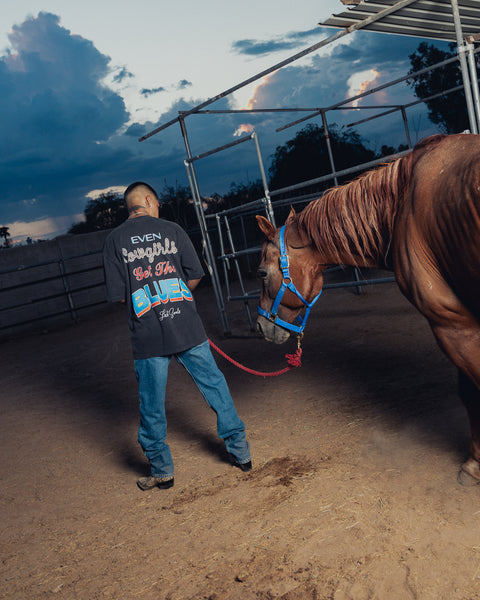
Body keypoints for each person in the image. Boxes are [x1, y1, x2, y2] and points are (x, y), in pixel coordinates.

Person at [103, 181, 251, 491]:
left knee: (151, 405)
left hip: (148, 337)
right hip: (187, 326)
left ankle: (162, 472)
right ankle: (242, 454)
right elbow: (196, 274)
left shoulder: (114, 240)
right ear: (149, 201)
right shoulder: (171, 229)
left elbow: (119, 296)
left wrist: (150, 298)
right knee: (215, 386)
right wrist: (176, 296)